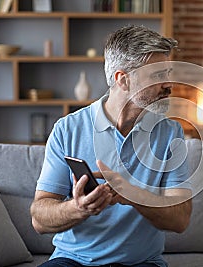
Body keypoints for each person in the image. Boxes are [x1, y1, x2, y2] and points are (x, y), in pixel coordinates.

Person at [30, 25, 192, 267]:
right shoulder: (68, 129)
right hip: (72, 261)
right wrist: (79, 208)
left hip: (141, 263)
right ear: (123, 80)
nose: (169, 84)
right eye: (158, 75)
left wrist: (132, 195)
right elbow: (39, 220)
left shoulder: (170, 133)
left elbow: (180, 220)